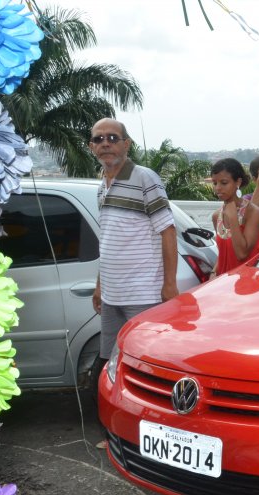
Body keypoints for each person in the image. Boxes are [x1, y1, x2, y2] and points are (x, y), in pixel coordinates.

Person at [89, 117, 178, 367]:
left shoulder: (145, 178)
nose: (106, 143)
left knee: (144, 363)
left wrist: (169, 285)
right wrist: (99, 285)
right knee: (111, 362)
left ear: (126, 144)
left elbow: (168, 231)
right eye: (99, 139)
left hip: (143, 294)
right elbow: (107, 240)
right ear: (91, 146)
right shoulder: (101, 188)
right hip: (111, 296)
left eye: (112, 138)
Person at [209, 158, 259, 276]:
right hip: (222, 283)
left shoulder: (253, 212)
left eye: (224, 183)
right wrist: (213, 272)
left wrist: (233, 218)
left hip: (246, 284)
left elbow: (241, 254)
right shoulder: (216, 216)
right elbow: (223, 254)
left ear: (238, 182)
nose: (218, 188)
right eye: (215, 183)